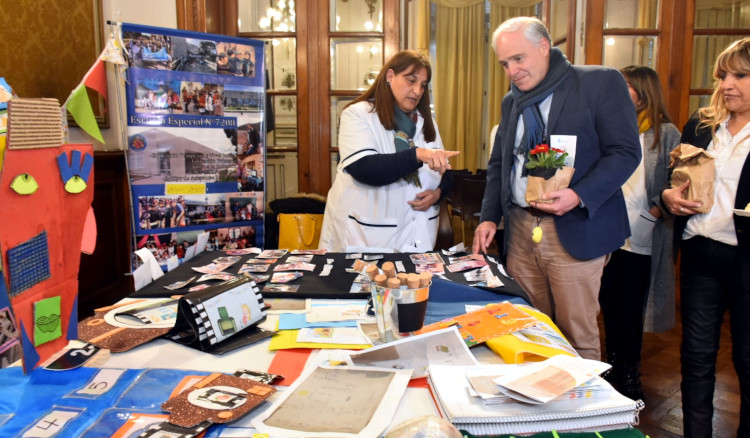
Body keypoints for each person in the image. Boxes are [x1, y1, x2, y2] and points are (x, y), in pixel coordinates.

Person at [472, 17, 641, 360]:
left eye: (518, 59)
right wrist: (489, 217)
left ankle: (582, 410)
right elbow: (500, 164)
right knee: (529, 328)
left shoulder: (598, 83)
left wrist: (578, 195)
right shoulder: (511, 101)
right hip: (521, 229)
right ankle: (539, 408)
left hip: (575, 227)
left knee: (576, 335)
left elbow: (625, 152)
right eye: (505, 64)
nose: (512, 71)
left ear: (544, 47)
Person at [661, 37, 750, 437]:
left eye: (740, 75)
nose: (727, 84)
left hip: (745, 260)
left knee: (748, 362)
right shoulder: (701, 123)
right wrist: (668, 197)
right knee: (696, 356)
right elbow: (674, 181)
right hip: (699, 253)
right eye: (722, 75)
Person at [319, 50, 459, 253]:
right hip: (367, 239)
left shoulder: (426, 123)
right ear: (390, 76)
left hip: (417, 237)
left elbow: (446, 172)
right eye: (411, 80)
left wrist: (437, 194)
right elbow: (365, 169)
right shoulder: (358, 115)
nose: (417, 90)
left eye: (422, 85)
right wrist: (418, 155)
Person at [598, 65, 681, 401]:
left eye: (626, 86)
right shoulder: (613, 128)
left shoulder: (666, 132)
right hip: (608, 232)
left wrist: (654, 214)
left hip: (643, 234)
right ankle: (611, 366)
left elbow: (674, 181)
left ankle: (630, 373)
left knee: (631, 308)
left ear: (643, 91)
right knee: (608, 304)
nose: (620, 92)